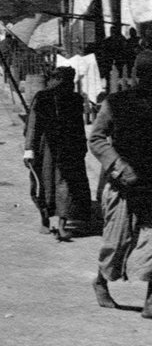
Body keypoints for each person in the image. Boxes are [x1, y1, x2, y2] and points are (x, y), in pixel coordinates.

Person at [88, 51, 152, 318]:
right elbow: (97, 139)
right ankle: (101, 280)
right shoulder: (116, 103)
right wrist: (119, 166)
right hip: (123, 185)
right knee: (117, 241)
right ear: (139, 75)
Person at [23, 66, 91, 241]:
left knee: (65, 184)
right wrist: (29, 149)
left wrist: (82, 146)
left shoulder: (75, 99)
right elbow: (33, 125)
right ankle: (45, 220)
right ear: (56, 80)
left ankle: (62, 224)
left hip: (69, 148)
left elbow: (78, 125)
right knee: (43, 184)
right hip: (46, 148)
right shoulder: (43, 98)